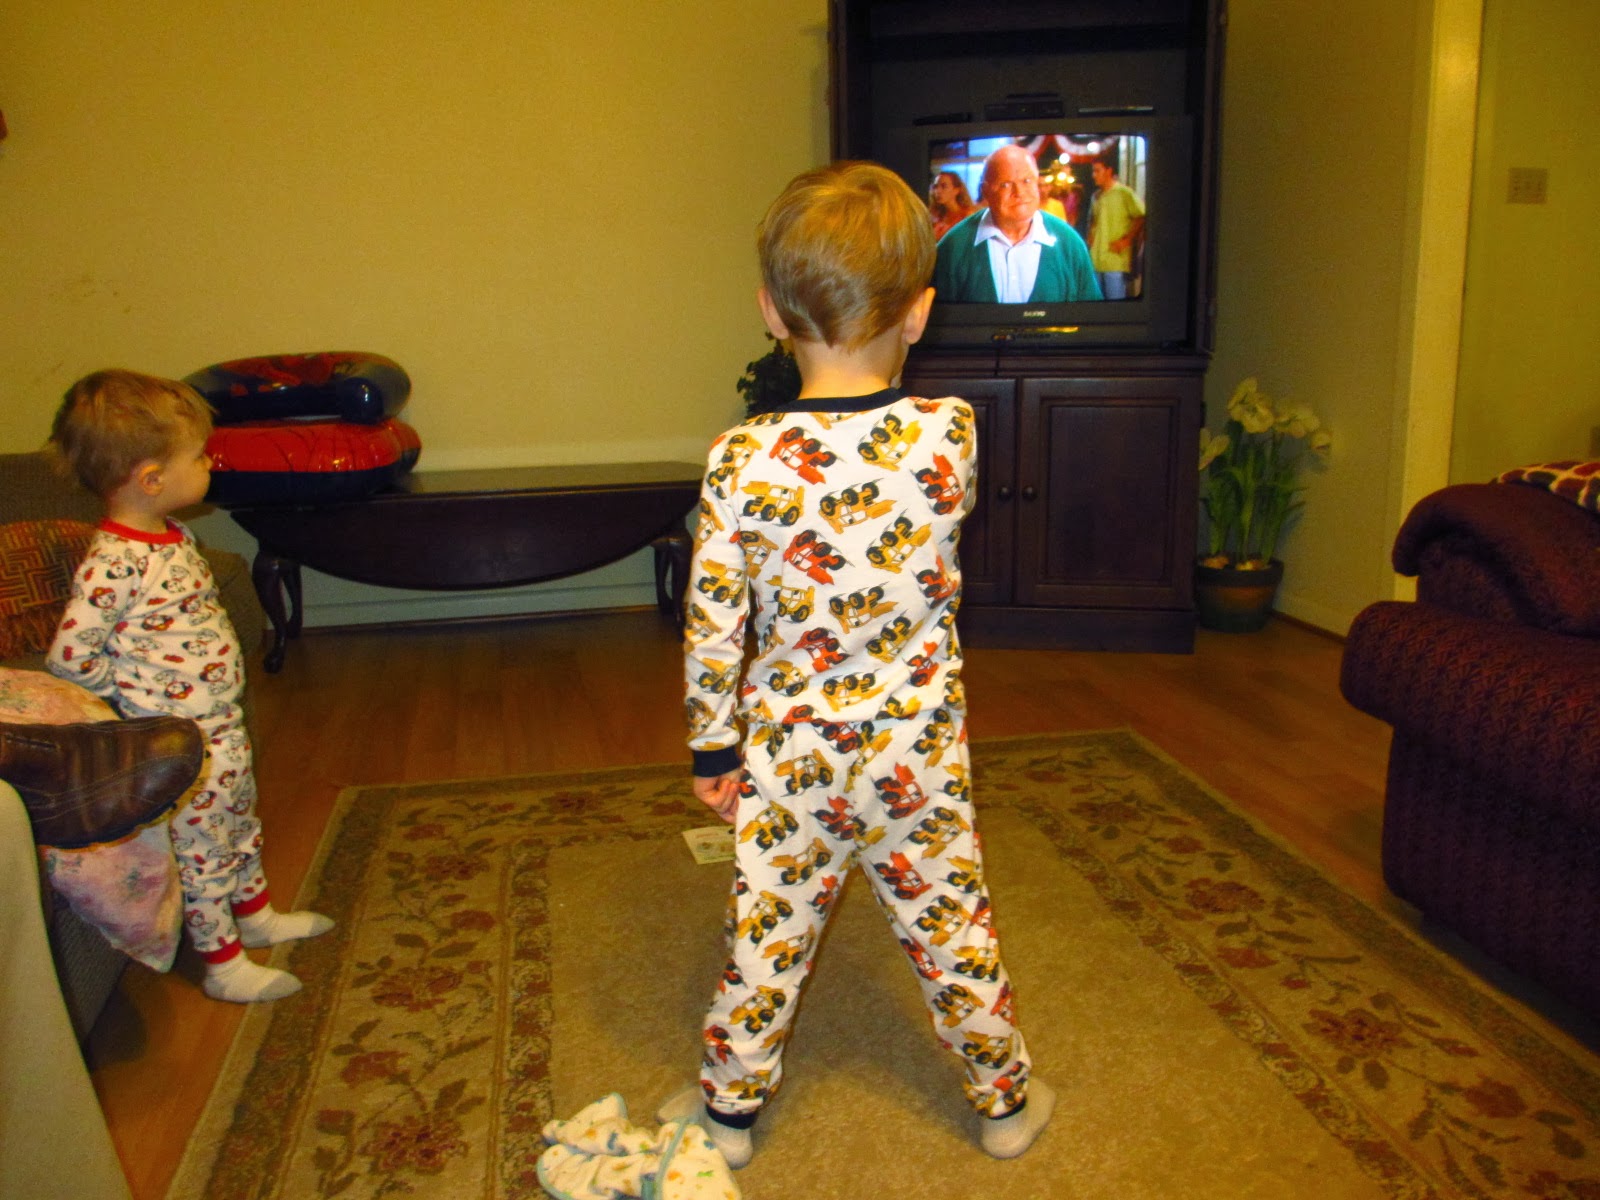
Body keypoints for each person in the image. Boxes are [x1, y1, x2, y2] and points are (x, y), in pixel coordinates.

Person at [659, 161, 1054, 1168]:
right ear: (918, 313)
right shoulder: (951, 434)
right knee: (952, 925)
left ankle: (728, 1117)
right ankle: (1005, 1104)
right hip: (917, 755)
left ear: (769, 312)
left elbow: (713, 623)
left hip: (792, 757)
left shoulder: (740, 459)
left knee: (766, 934)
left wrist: (713, 751)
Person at [46, 369, 333, 1003]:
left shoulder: (172, 535)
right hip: (179, 739)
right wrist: (132, 702)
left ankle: (254, 916)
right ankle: (222, 965)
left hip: (219, 724)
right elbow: (69, 656)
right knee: (202, 850)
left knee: (238, 823)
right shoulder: (113, 562)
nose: (209, 465)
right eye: (199, 457)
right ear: (152, 478)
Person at [932, 143, 1100, 303]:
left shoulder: (1070, 243)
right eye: (1005, 185)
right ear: (986, 191)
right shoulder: (953, 247)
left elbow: (1092, 315)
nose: (1019, 192)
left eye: (1026, 181)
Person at [1087, 153, 1147, 300]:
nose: (1094, 175)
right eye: (1093, 171)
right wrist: (1091, 236)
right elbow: (1094, 220)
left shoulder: (1124, 193)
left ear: (1108, 171)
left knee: (1115, 304)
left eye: (1097, 171)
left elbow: (1141, 216)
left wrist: (1127, 240)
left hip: (1115, 260)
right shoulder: (1096, 196)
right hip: (1096, 260)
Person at [927, 169, 977, 241]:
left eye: (944, 186)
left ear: (956, 190)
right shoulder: (935, 217)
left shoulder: (967, 216)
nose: (938, 191)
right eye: (935, 186)